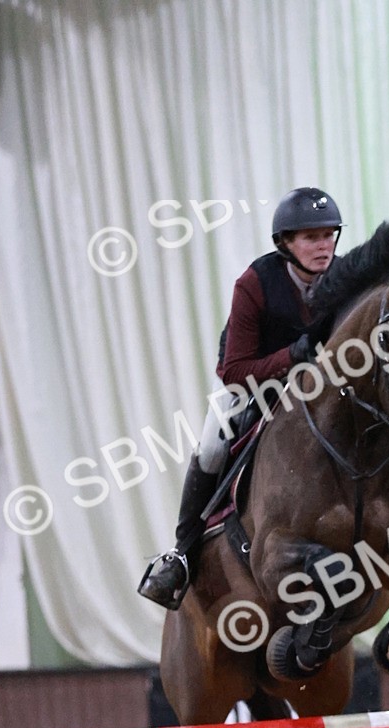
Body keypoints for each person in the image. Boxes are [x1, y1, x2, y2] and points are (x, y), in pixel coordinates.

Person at [138, 187, 343, 609]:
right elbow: (233, 370)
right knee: (212, 446)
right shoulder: (254, 284)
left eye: (328, 235)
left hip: (317, 383)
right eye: (311, 237)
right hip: (252, 381)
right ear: (285, 243)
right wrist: (291, 357)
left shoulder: (344, 278)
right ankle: (181, 554)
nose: (323, 246)